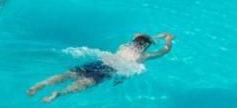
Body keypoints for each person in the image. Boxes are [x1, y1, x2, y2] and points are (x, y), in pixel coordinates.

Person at [26, 33, 174, 102]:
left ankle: (39, 85)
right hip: (109, 71)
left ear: (133, 41)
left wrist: (154, 36)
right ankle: (59, 94)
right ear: (145, 47)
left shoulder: (123, 47)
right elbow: (165, 51)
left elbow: (138, 35)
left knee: (67, 75)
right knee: (82, 85)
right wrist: (168, 39)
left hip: (99, 63)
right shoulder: (143, 57)